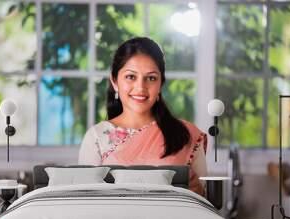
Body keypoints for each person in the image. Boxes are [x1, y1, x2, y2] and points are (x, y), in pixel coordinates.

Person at [78, 37, 207, 196]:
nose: (140, 87)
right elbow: (87, 201)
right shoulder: (96, 137)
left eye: (151, 78)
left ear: (161, 84)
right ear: (115, 81)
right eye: (131, 77)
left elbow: (204, 200)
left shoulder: (186, 135)